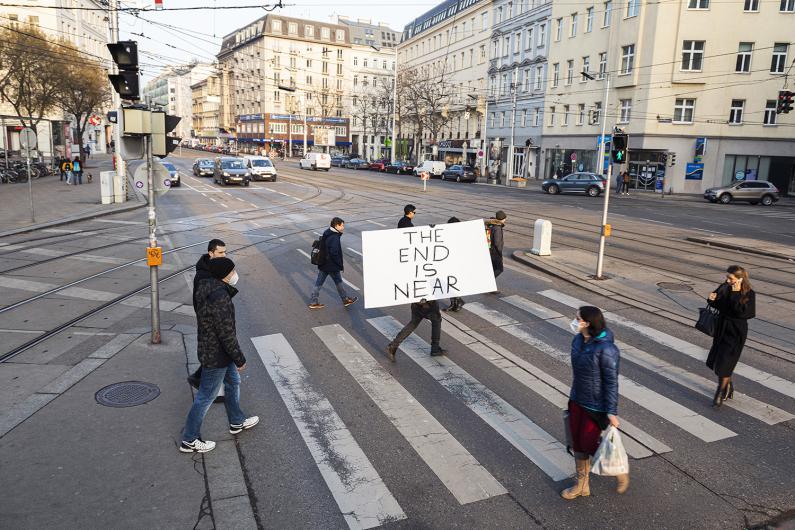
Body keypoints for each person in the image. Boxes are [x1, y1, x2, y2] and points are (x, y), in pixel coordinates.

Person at [180, 257, 259, 454]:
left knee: (233, 382)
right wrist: (239, 358)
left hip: (214, 350)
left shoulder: (207, 288)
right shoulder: (219, 296)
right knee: (206, 396)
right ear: (224, 274)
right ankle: (189, 439)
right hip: (217, 354)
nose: (234, 274)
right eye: (232, 271)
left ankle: (237, 421)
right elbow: (226, 333)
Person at [561, 306, 627, 500]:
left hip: (595, 405)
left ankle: (618, 470)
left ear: (587, 323)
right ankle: (582, 485)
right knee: (576, 443)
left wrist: (611, 412)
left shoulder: (606, 348)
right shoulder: (578, 339)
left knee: (588, 443)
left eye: (577, 318)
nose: (574, 320)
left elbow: (611, 381)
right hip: (577, 398)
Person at [707, 265, 756, 407]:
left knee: (724, 363)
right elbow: (718, 305)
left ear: (740, 279)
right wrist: (711, 300)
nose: (727, 280)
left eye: (731, 278)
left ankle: (720, 392)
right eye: (727, 277)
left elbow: (744, 314)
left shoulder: (749, 294)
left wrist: (735, 294)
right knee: (718, 363)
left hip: (736, 332)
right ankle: (727, 385)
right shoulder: (724, 287)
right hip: (722, 328)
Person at [187, 239, 227, 390]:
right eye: (221, 252)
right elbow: (202, 301)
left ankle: (207, 383)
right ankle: (205, 384)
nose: (224, 255)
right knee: (215, 355)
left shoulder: (214, 268)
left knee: (219, 356)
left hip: (214, 319)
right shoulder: (203, 275)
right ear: (211, 253)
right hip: (210, 321)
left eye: (225, 252)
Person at [309, 217, 358, 309]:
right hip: (331, 265)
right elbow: (334, 253)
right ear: (336, 226)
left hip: (323, 263)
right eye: (342, 225)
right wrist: (339, 264)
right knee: (338, 282)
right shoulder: (334, 237)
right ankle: (345, 299)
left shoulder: (327, 232)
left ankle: (313, 301)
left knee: (319, 283)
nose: (343, 227)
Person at [443, 216, 465, 312]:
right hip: (449, 262)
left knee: (453, 283)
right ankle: (453, 303)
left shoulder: (460, 235)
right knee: (448, 283)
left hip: (457, 263)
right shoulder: (448, 234)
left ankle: (458, 301)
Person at [486, 210, 507, 282]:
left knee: (493, 269)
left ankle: (489, 284)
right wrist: (500, 252)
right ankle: (488, 283)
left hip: (490, 251)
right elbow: (497, 242)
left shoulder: (492, 225)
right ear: (503, 219)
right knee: (499, 269)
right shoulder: (497, 228)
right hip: (495, 252)